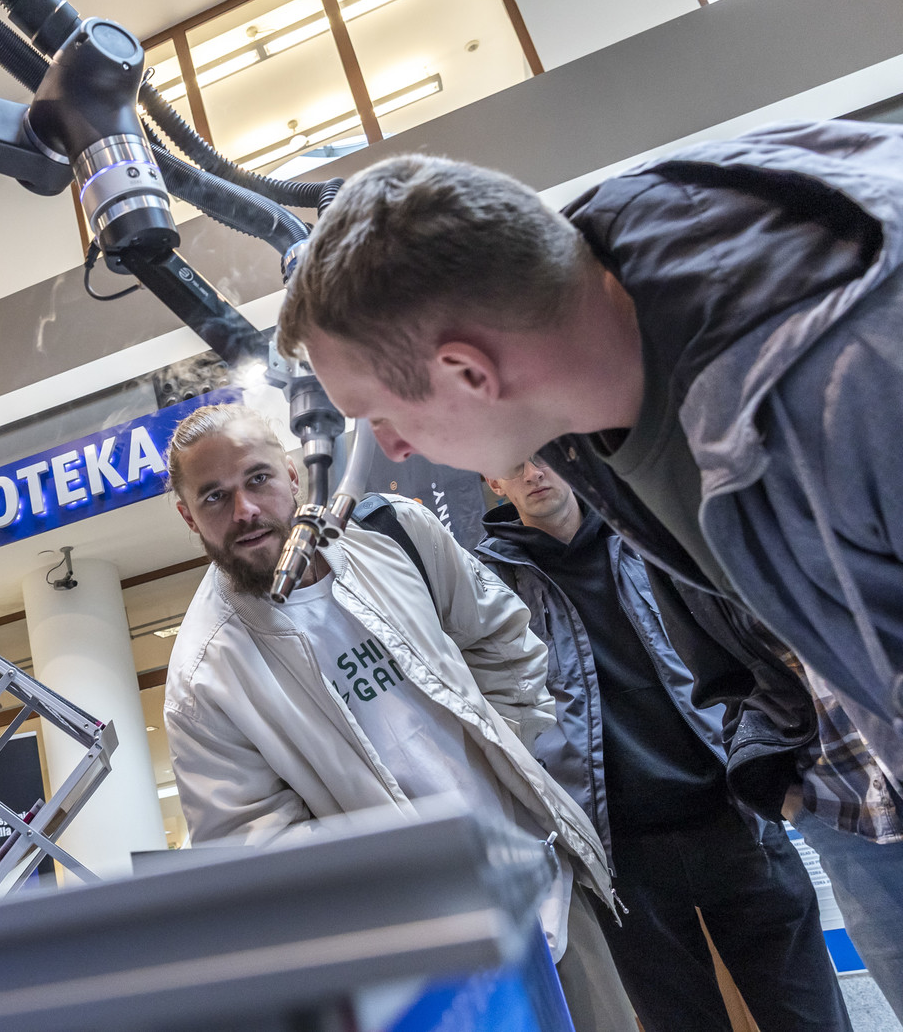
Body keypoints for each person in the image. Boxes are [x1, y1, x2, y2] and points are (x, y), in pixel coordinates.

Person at [276, 121, 903, 786]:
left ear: (468, 374)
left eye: (380, 418)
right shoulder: (589, 379)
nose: (393, 448)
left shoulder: (849, 389)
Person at [160, 402, 637, 1031]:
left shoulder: (392, 533)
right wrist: (412, 891)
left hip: (544, 887)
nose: (245, 509)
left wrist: (510, 761)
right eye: (215, 496)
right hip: (425, 966)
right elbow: (256, 856)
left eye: (258, 478)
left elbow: (502, 638)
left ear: (294, 475)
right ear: (187, 515)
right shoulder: (203, 678)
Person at [478, 456, 852, 1031]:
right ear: (493, 481)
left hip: (735, 815)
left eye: (543, 453)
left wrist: (768, 763)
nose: (535, 472)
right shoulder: (485, 582)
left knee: (809, 1016)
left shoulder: (648, 534)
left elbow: (743, 647)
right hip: (620, 853)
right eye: (514, 463)